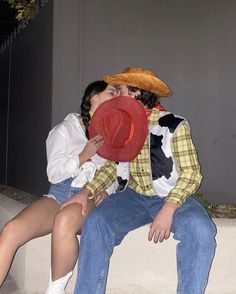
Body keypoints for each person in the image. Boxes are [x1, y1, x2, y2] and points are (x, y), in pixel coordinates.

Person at [62, 67, 217, 294]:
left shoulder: (173, 125)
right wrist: (87, 191)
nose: (116, 97)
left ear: (135, 93)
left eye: (121, 91)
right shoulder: (123, 127)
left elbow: (192, 173)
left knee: (202, 231)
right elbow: (112, 168)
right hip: (133, 197)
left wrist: (169, 207)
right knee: (96, 222)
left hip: (170, 195)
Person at [0, 80, 119, 291]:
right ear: (94, 97)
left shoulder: (113, 133)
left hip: (89, 195)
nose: (116, 97)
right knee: (11, 230)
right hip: (60, 192)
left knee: (64, 221)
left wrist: (107, 190)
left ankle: (54, 290)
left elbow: (120, 172)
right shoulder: (64, 130)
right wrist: (83, 156)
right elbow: (53, 174)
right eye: (112, 92)